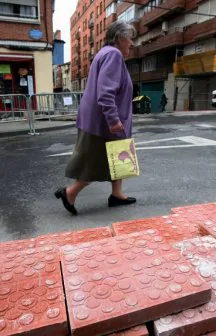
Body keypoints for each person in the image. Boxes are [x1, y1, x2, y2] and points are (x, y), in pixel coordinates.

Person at [55, 21, 137, 215]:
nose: (132, 44)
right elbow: (106, 92)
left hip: (106, 120)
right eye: (130, 38)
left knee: (121, 156)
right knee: (95, 161)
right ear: (119, 38)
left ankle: (117, 194)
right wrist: (114, 120)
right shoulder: (113, 54)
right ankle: (70, 193)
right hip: (104, 122)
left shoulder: (105, 54)